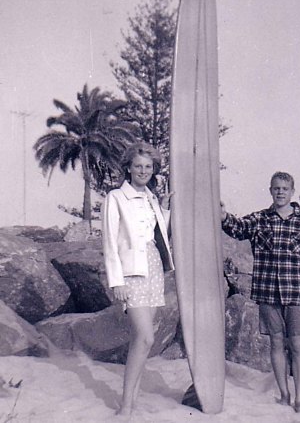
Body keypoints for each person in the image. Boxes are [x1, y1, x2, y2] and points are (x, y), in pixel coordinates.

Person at [221, 171, 300, 413]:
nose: (280, 192)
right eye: (276, 188)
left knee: (298, 344)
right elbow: (237, 228)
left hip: (298, 293)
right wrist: (224, 215)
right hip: (268, 293)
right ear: (271, 190)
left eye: (285, 188)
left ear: (292, 192)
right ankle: (284, 394)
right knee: (276, 343)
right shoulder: (260, 219)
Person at [101, 142, 174, 417]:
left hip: (153, 269)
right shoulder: (116, 197)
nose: (143, 170)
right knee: (145, 336)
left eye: (148, 166)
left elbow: (156, 235)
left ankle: (131, 400)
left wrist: (164, 210)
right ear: (128, 168)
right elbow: (109, 242)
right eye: (138, 166)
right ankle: (126, 405)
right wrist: (116, 281)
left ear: (153, 170)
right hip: (130, 273)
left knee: (142, 340)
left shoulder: (153, 198)